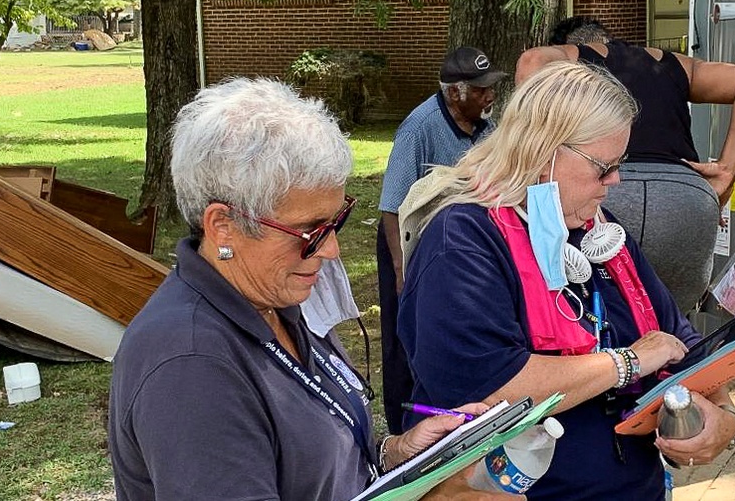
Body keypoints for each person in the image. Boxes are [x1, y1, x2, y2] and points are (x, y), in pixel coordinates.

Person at [108, 77, 518, 500]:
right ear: (223, 226)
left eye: (335, 222)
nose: (331, 249)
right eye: (309, 231)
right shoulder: (190, 363)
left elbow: (307, 463)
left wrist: (396, 456)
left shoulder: (271, 297)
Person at [397, 61, 735, 500]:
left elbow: (680, 343)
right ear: (543, 153)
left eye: (620, 163)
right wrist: (626, 363)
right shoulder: (462, 239)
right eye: (604, 167)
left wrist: (724, 416)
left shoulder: (596, 229)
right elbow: (492, 386)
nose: (615, 181)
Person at [516, 17, 735, 312]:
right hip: (686, 199)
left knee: (592, 316)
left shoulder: (570, 57)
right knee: (674, 323)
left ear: (567, 44)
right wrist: (727, 171)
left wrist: (533, 154)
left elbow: (531, 60)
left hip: (611, 192)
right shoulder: (672, 63)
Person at [378, 46, 506, 434]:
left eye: (490, 88)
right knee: (405, 338)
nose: (490, 97)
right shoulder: (420, 126)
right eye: (482, 90)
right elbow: (390, 206)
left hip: (457, 246)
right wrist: (402, 270)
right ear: (455, 93)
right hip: (407, 241)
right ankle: (404, 430)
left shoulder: (487, 126)